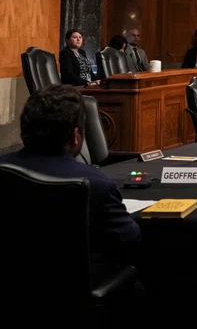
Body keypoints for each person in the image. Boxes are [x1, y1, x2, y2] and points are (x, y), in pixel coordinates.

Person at [0, 85, 141, 283]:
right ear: (76, 136)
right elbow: (129, 241)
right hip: (80, 300)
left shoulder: (4, 171)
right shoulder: (96, 184)